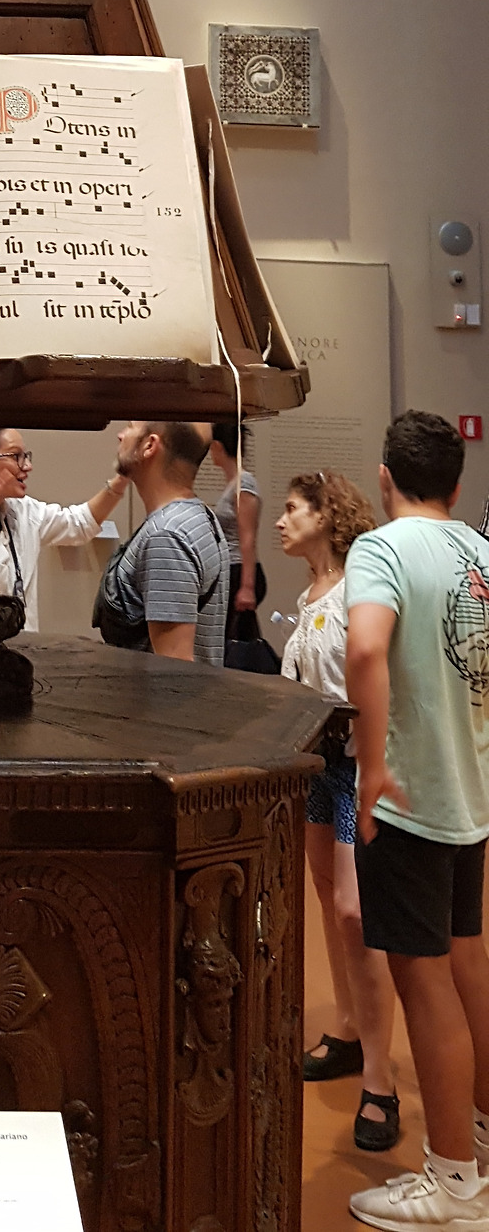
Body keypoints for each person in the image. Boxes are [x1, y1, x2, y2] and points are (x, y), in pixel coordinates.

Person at [346, 410, 489, 1229]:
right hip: (469, 792)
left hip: (409, 797)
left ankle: (454, 1184)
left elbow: (367, 647)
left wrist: (372, 766)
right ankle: (481, 1140)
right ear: (457, 486)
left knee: (425, 978)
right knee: (467, 961)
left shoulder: (382, 547)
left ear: (385, 476)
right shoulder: (481, 553)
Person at [276, 469, 398, 1151]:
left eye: (294, 508)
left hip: (353, 765)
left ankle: (381, 1076)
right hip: (319, 765)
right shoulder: (309, 593)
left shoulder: (358, 588)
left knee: (356, 909)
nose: (282, 519)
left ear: (326, 516)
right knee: (326, 894)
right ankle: (350, 1029)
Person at [0, 428, 129, 635]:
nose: (27, 466)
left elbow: (79, 524)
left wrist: (122, 479)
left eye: (26, 456)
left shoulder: (23, 509)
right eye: (16, 456)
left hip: (23, 647)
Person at [96, 421, 227, 664]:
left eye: (130, 427)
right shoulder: (197, 516)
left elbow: (174, 668)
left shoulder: (166, 536)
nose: (120, 435)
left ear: (149, 446)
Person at [208, 418, 265, 641]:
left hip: (240, 571)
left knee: (237, 643)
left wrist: (247, 587)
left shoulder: (244, 483)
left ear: (217, 446)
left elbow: (247, 538)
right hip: (232, 569)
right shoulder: (235, 484)